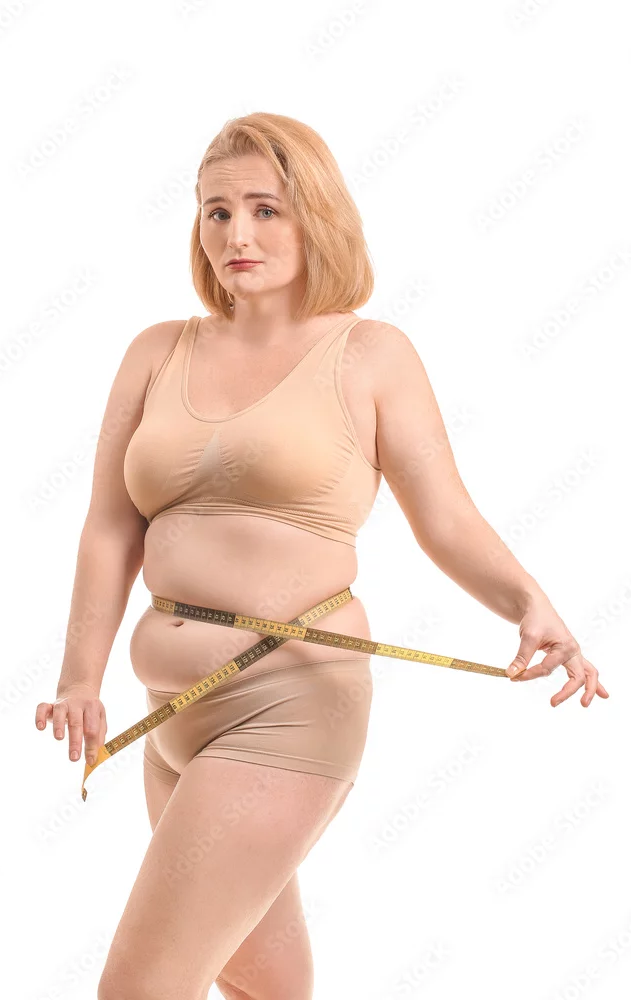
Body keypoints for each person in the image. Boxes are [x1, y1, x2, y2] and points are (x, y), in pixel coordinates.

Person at [34, 112, 608, 1000]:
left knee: (140, 989)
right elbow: (110, 526)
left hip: (290, 702)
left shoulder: (369, 355)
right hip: (168, 715)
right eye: (216, 211)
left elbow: (444, 516)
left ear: (317, 217)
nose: (237, 234)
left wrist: (529, 604)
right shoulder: (155, 350)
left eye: (265, 209)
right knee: (266, 986)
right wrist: (80, 678)